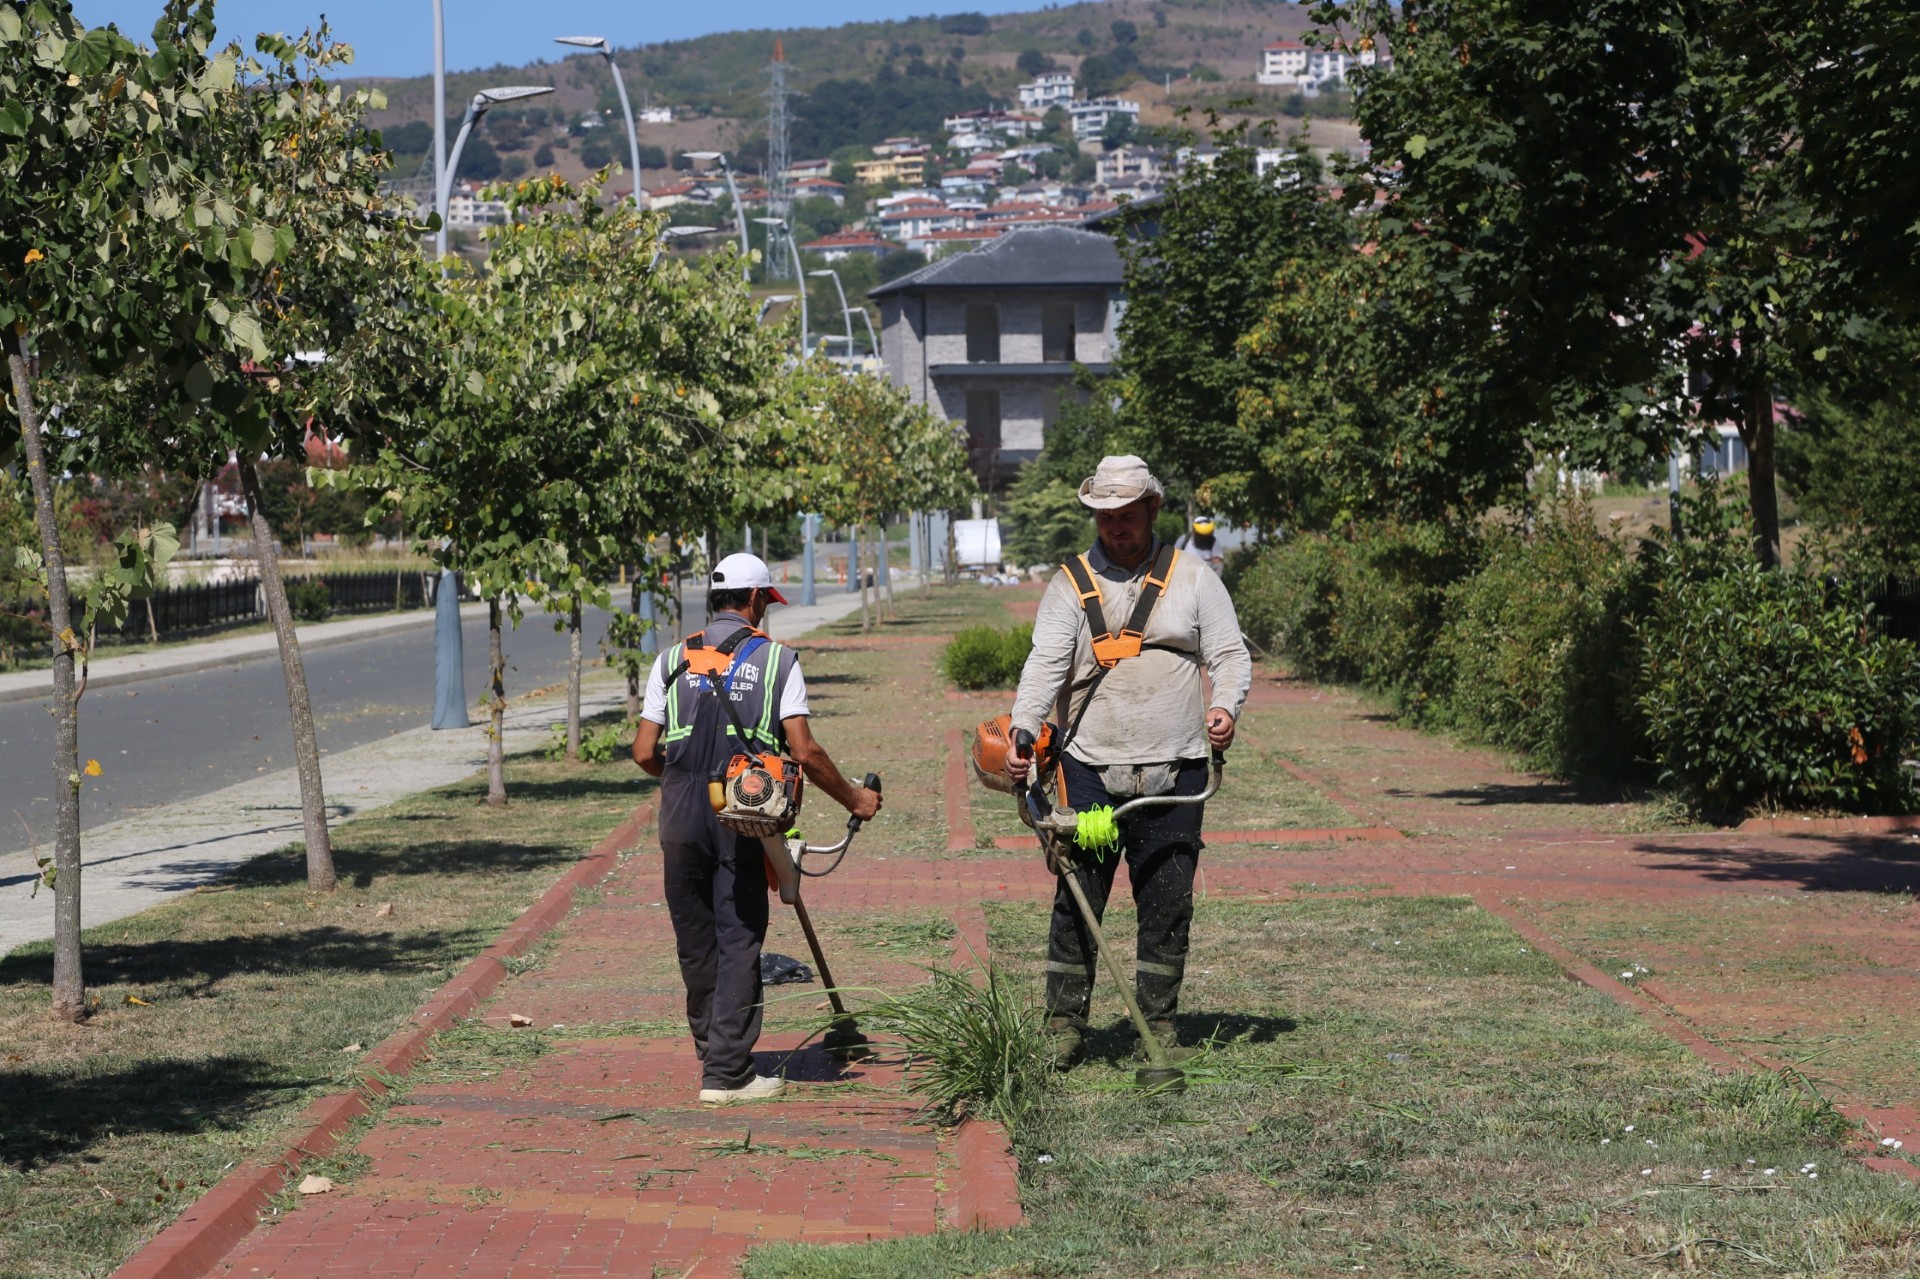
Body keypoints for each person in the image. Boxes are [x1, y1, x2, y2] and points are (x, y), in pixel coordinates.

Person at [1006, 456, 1252, 1066]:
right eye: (1105, 516)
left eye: (1127, 515)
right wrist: (1023, 725)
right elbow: (1044, 664)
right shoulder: (1070, 583)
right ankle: (1063, 1026)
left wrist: (1224, 707)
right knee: (1078, 897)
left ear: (1152, 510)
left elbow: (1229, 655)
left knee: (1168, 901)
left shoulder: (1196, 579)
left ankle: (1159, 1024)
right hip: (1089, 767)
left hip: (1178, 767)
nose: (1115, 527)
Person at [632, 552, 882, 1105]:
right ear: (753, 600)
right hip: (742, 814)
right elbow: (805, 752)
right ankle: (727, 1076)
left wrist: (683, 783)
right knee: (739, 934)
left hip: (678, 814)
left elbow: (645, 751)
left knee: (695, 941)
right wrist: (855, 799)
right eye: (766, 602)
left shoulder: (671, 659)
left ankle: (712, 1050)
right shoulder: (776, 661)